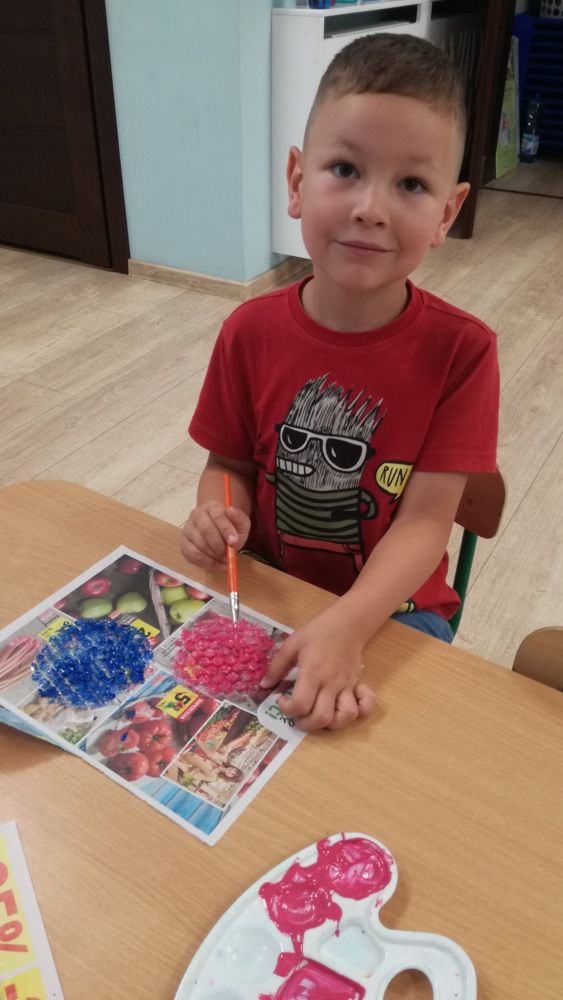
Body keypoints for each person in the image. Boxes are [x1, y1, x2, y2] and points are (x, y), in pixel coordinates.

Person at [181, 34, 499, 734]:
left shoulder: (463, 352)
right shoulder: (248, 330)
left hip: (396, 611)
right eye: (345, 169)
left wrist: (348, 626)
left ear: (447, 213)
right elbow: (227, 465)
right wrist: (216, 513)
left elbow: (425, 522)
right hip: (267, 583)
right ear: (297, 182)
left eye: (411, 185)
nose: (370, 208)